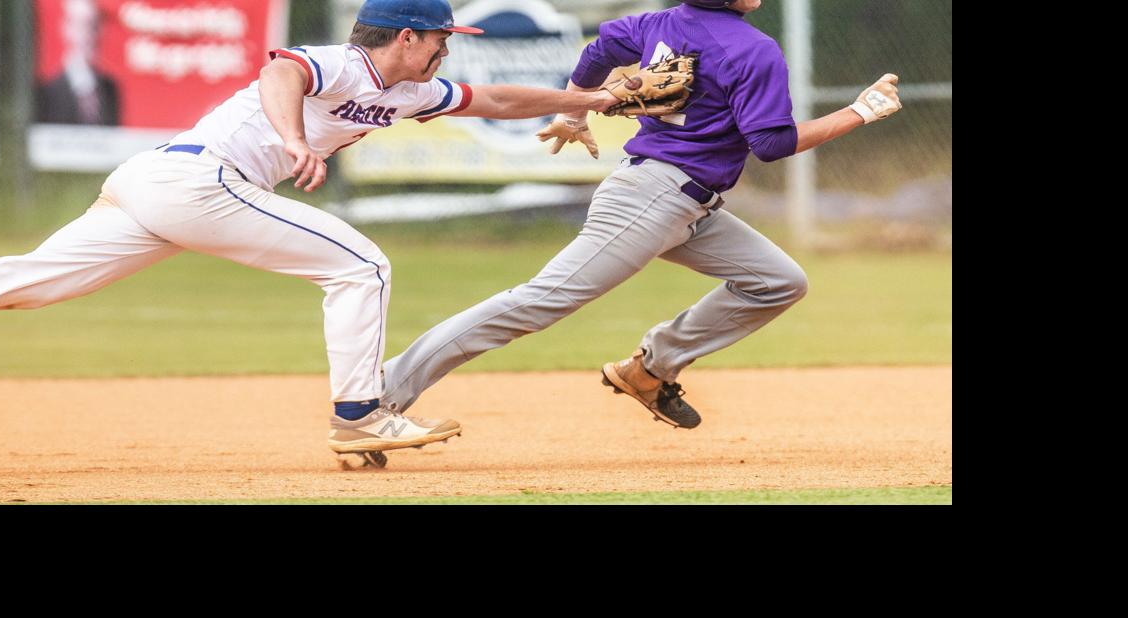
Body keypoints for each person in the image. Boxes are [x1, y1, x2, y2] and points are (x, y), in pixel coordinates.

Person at [0, 0, 621, 461]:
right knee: (359, 266)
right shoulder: (343, 62)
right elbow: (280, 73)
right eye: (443, 37)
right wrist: (295, 140)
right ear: (407, 36)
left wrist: (594, 100)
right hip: (199, 180)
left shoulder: (410, 92)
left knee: (28, 280)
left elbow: (498, 100)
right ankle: (360, 415)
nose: (448, 49)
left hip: (158, 185)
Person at [378, 0, 901, 429]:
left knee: (777, 282)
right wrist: (859, 112)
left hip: (688, 203)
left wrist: (575, 110)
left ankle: (650, 370)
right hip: (652, 198)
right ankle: (382, 395)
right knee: (538, 301)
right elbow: (771, 143)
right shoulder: (753, 49)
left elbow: (598, 52)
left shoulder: (659, 24)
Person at [35, 0, 122, 126]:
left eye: (94, 25)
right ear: (66, 28)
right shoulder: (47, 91)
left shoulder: (110, 89)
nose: (88, 35)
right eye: (81, 26)